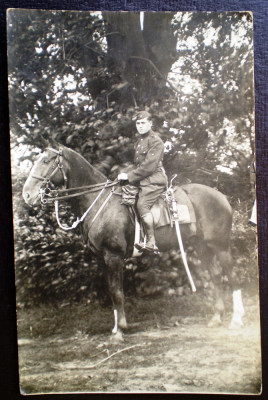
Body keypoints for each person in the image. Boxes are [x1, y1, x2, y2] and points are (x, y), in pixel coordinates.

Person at [117, 110, 168, 252]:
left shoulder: (156, 141)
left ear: (150, 124)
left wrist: (129, 177)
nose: (140, 126)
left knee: (142, 205)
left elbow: (149, 166)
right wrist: (125, 174)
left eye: (143, 123)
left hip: (154, 180)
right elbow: (137, 165)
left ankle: (151, 242)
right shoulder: (140, 142)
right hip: (142, 179)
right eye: (138, 123)